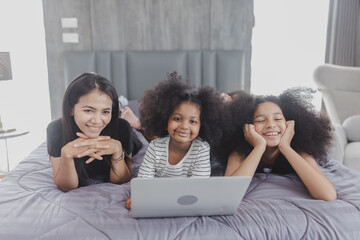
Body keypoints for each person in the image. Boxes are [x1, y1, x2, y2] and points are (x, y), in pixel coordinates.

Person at [126, 72, 224, 209]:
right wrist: (138, 196)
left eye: (193, 121)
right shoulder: (155, 146)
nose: (184, 126)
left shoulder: (201, 148)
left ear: (202, 125)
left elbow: (198, 186)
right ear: (165, 121)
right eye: (177, 119)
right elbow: (144, 180)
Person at [223, 87, 337, 201]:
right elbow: (228, 194)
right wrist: (259, 147)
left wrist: (285, 147)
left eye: (277, 119)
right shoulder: (239, 151)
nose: (271, 125)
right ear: (248, 127)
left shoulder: (300, 149)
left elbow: (328, 195)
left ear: (289, 123)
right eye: (260, 120)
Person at [47, 73, 134, 192]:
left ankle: (136, 122)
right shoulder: (56, 130)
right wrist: (67, 155)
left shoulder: (122, 127)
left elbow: (122, 180)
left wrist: (118, 150)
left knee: (142, 134)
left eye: (105, 112)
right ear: (70, 109)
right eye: (88, 110)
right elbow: (67, 187)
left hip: (127, 130)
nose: (97, 121)